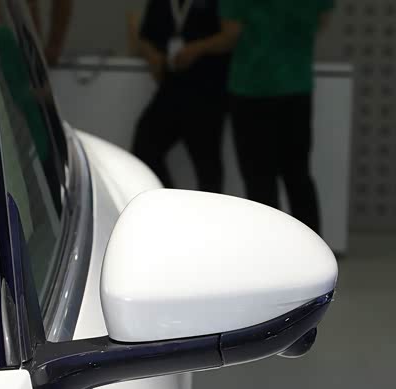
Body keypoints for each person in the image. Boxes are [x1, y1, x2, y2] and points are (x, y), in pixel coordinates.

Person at [180, 0, 333, 234]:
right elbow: (322, 19)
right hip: (295, 85)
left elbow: (231, 34)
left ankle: (269, 247)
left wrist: (195, 48)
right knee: (298, 177)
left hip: (251, 87)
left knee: (259, 181)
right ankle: (312, 247)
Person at [131, 0, 230, 193]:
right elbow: (144, 37)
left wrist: (197, 48)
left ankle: (211, 210)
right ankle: (167, 200)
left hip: (207, 90)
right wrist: (152, 55)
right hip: (171, 87)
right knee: (144, 145)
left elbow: (230, 35)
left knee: (207, 164)